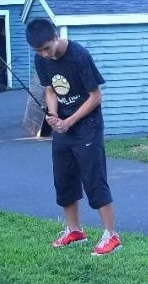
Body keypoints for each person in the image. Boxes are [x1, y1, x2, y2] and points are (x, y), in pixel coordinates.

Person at [26, 18, 121, 256]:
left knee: (93, 178)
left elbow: (95, 96)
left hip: (87, 126)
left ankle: (111, 235)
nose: (44, 54)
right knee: (64, 179)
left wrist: (69, 121)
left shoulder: (79, 56)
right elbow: (50, 89)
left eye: (46, 48)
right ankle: (75, 231)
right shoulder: (41, 59)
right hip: (63, 127)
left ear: (55, 36)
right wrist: (53, 115)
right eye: (38, 51)